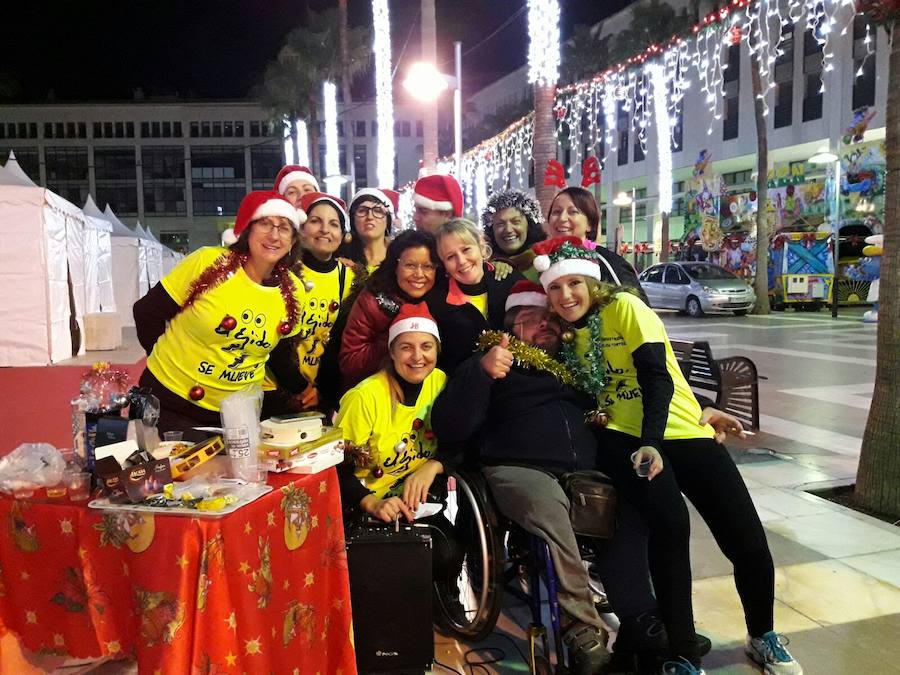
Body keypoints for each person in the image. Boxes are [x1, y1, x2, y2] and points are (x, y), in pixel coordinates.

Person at [535, 236, 803, 675]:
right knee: (671, 525)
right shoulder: (570, 338)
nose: (566, 296)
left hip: (679, 432)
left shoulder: (626, 308)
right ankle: (683, 654)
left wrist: (668, 433)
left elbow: (659, 377)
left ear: (592, 282)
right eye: (555, 288)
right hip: (623, 438)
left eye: (574, 284)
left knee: (747, 540)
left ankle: (763, 635)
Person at [133, 191, 308, 439]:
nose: (274, 235)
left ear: (292, 241)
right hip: (171, 403)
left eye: (284, 228)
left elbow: (279, 353)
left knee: (238, 477)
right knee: (177, 475)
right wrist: (167, 361)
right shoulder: (208, 262)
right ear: (248, 230)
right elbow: (147, 312)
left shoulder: (293, 290)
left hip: (237, 414)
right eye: (265, 224)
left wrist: (302, 388)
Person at [265, 192, 356, 416]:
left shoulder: (350, 278)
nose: (325, 230)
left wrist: (323, 390)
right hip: (276, 389)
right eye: (315, 221)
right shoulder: (282, 271)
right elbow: (273, 340)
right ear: (302, 230)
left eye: (333, 224)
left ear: (342, 235)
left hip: (321, 391)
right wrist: (300, 387)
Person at [339, 230, 441, 393]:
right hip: (375, 394)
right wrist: (397, 337)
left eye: (428, 266)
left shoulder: (440, 298)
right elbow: (350, 362)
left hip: (426, 395)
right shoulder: (373, 299)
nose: (419, 274)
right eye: (410, 265)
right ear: (396, 266)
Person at [429, 218, 523, 375]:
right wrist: (480, 367)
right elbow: (445, 363)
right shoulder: (437, 303)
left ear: (481, 246)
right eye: (450, 257)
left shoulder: (510, 280)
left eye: (466, 250)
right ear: (443, 263)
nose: (461, 261)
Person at [545, 186, 646, 301]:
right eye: (556, 212)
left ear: (590, 224)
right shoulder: (543, 263)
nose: (562, 218)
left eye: (573, 212)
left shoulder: (608, 263)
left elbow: (640, 311)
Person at [481, 189, 546, 281]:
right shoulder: (482, 267)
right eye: (500, 224)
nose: (508, 230)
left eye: (515, 222)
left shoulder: (547, 260)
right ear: (491, 231)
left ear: (529, 225)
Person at [335, 187, 395, 272]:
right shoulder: (341, 261)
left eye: (378, 211)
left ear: (388, 220)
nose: (370, 217)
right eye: (362, 211)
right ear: (353, 219)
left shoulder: (400, 256)